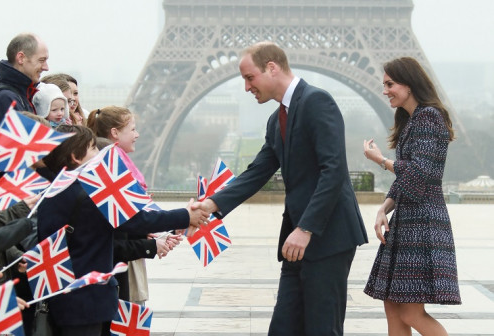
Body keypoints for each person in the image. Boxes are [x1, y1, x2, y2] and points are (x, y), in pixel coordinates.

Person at [194, 41, 368, 336]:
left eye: (250, 77)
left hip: (326, 237)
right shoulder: (277, 120)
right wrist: (211, 205)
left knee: (322, 330)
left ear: (271, 67)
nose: (246, 87)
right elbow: (257, 172)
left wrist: (306, 228)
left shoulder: (316, 101)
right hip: (296, 241)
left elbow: (334, 170)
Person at [38, 125, 207, 335]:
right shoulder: (87, 194)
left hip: (65, 298)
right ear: (75, 157)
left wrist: (178, 220)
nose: (99, 154)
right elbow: (135, 220)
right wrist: (186, 216)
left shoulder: (55, 191)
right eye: (92, 148)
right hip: (87, 302)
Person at [363, 57, 461, 336]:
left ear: (409, 82)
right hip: (409, 220)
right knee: (393, 306)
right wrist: (384, 207)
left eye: (390, 84)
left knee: (409, 310)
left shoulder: (429, 117)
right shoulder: (412, 120)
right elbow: (407, 178)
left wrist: (381, 160)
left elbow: (420, 173)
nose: (385, 90)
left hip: (423, 224)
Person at [87, 106, 182, 306]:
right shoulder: (113, 164)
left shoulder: (116, 165)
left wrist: (152, 234)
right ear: (114, 133)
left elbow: (129, 221)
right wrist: (153, 239)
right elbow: (121, 228)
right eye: (132, 129)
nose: (137, 134)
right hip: (119, 269)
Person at [0, 33, 49, 126]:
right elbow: (15, 139)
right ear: (21, 58)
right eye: (41, 60)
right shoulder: (7, 98)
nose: (46, 67)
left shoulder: (24, 95)